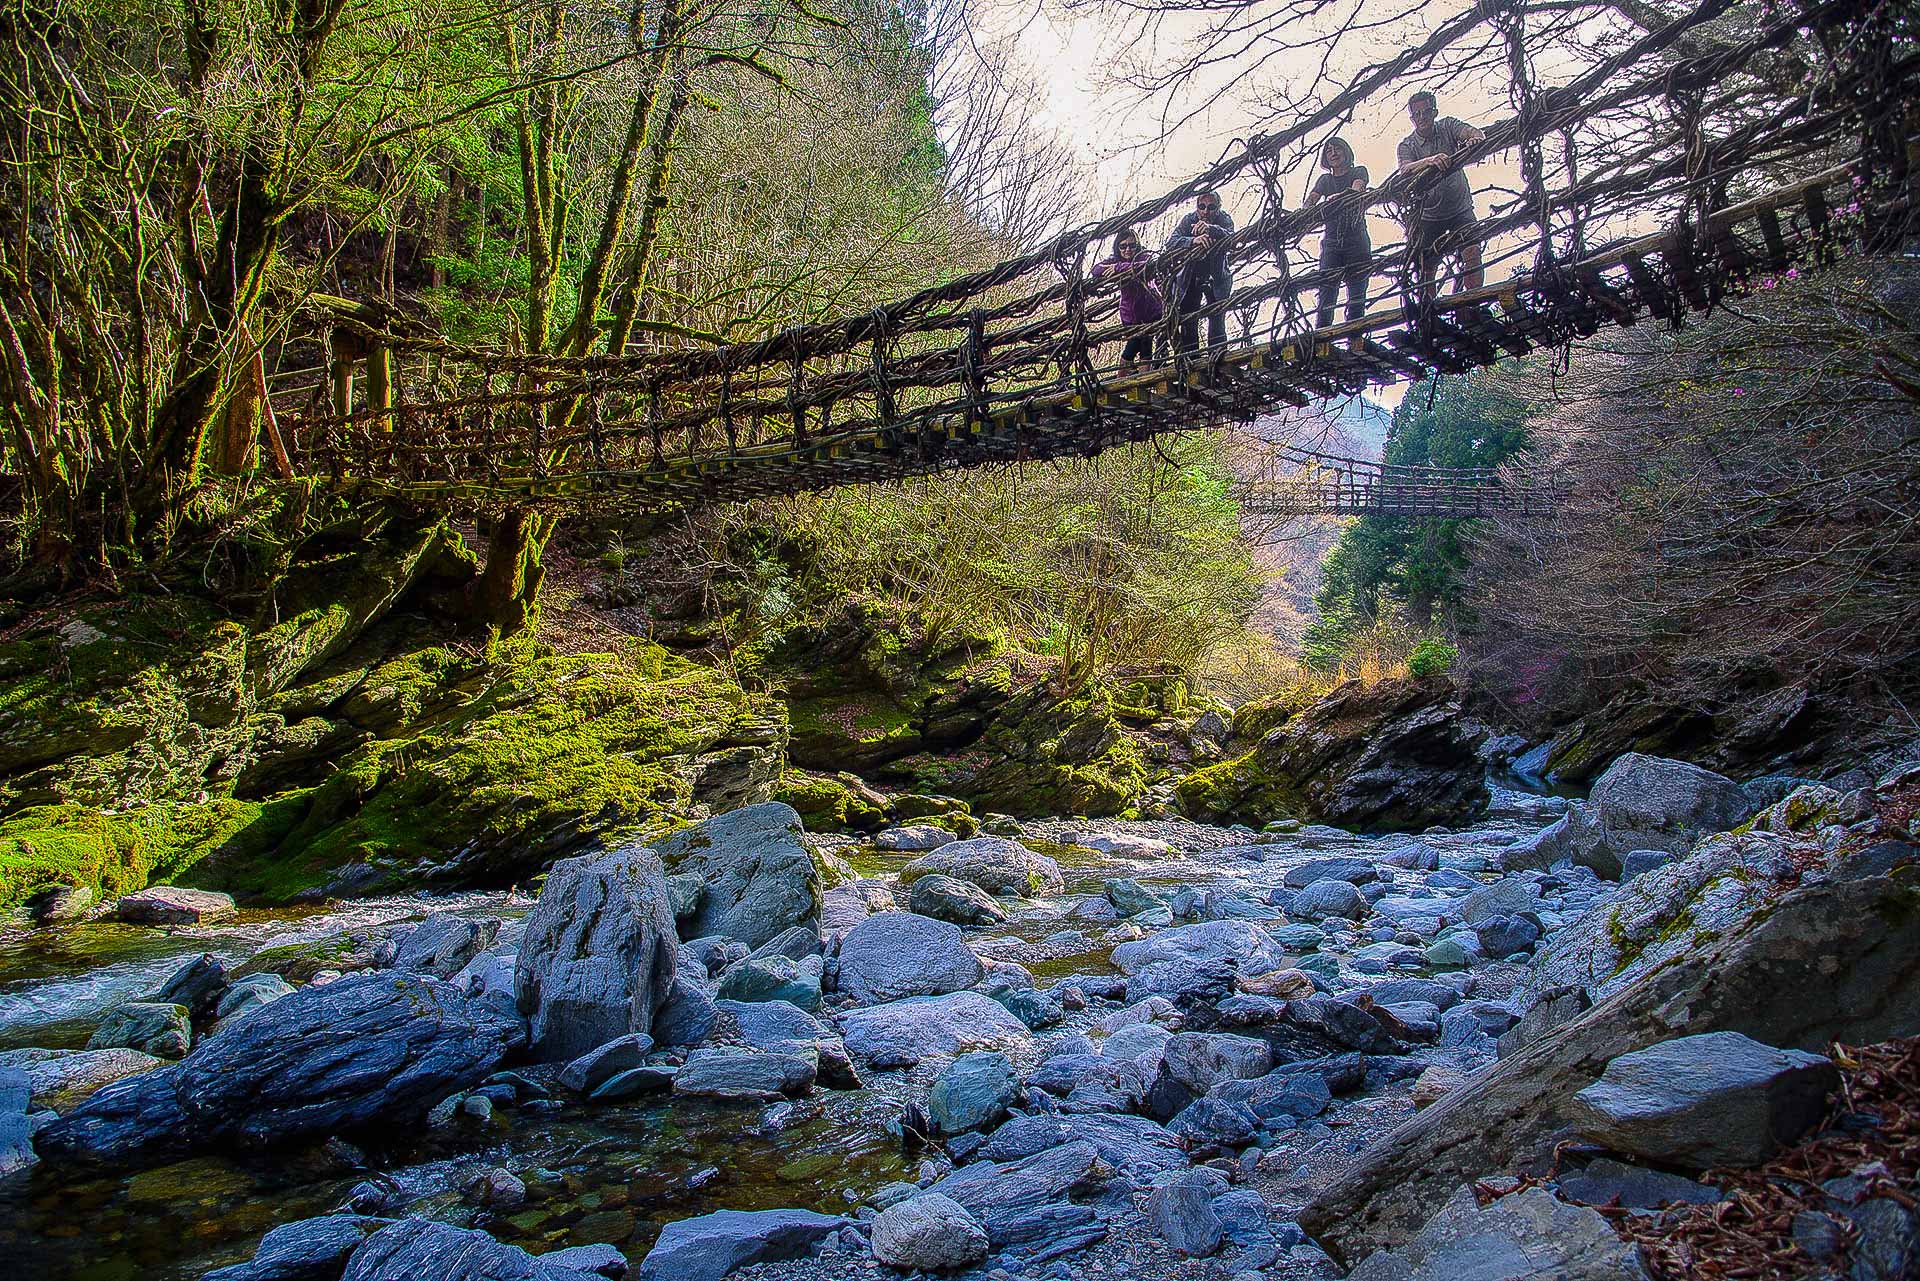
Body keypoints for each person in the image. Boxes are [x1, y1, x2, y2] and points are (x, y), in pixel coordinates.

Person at [1395, 91, 1486, 296]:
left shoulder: (1447, 126)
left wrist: (1474, 140)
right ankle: (1429, 314)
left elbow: (1474, 132)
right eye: (1416, 114)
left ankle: (1471, 304)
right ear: (1412, 118)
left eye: (1426, 112)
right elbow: (1405, 169)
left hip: (1459, 208)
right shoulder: (1407, 145)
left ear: (1434, 112)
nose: (1421, 118)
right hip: (1428, 215)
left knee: (1472, 253)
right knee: (1426, 264)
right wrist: (1430, 161)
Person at [1304, 136, 1371, 329]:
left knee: (1357, 294)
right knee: (1326, 292)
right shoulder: (1325, 180)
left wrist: (1338, 197)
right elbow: (1310, 201)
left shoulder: (1358, 171)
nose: (1333, 153)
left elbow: (1356, 190)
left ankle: (1355, 340)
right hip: (1332, 242)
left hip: (1356, 241)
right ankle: (1322, 340)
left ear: (1346, 151)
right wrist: (1307, 210)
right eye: (1329, 151)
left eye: (1337, 149)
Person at [1167, 189, 1235, 352]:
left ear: (1218, 208)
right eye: (1202, 206)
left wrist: (1211, 229)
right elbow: (1171, 243)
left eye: (1211, 207)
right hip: (1190, 276)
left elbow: (1232, 238)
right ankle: (1192, 361)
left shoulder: (1224, 220)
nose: (1206, 211)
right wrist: (1193, 241)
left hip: (1217, 277)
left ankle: (1217, 357)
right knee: (1189, 321)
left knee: (1217, 318)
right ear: (1196, 207)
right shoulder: (1188, 220)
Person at [1090, 230, 1165, 371]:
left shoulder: (1143, 256)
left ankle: (1141, 381)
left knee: (1145, 344)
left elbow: (1146, 264)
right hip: (1131, 315)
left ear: (1138, 245)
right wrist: (1116, 266)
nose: (1128, 249)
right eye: (1123, 246)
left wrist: (1118, 268)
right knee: (1133, 346)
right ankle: (1128, 380)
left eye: (1132, 245)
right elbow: (1096, 270)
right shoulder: (1114, 260)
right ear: (1117, 247)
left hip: (1151, 311)